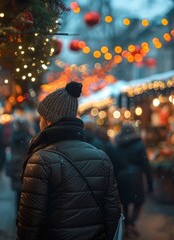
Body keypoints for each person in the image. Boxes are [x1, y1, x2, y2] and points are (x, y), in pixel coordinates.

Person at [17, 82, 121, 240]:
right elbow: (113, 211)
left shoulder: (41, 159)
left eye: (41, 118)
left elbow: (30, 221)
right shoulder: (101, 157)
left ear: (49, 121)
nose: (39, 122)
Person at [106, 124, 153, 238]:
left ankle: (127, 225)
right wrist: (150, 181)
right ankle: (131, 223)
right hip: (136, 177)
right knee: (139, 202)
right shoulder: (139, 145)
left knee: (125, 203)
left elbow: (114, 165)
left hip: (122, 178)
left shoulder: (117, 146)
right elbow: (146, 165)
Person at [6, 117, 33, 210]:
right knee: (25, 194)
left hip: (15, 166)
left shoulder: (14, 136)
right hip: (24, 167)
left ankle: (18, 213)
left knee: (18, 193)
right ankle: (22, 214)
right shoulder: (28, 138)